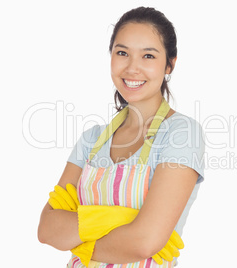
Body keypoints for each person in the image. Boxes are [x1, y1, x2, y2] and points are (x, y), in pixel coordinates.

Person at [38, 6, 205, 267]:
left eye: (148, 56)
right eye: (122, 53)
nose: (132, 68)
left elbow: (145, 242)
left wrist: (79, 233)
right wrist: (122, 219)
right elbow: (47, 229)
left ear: (170, 63)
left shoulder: (181, 134)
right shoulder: (91, 140)